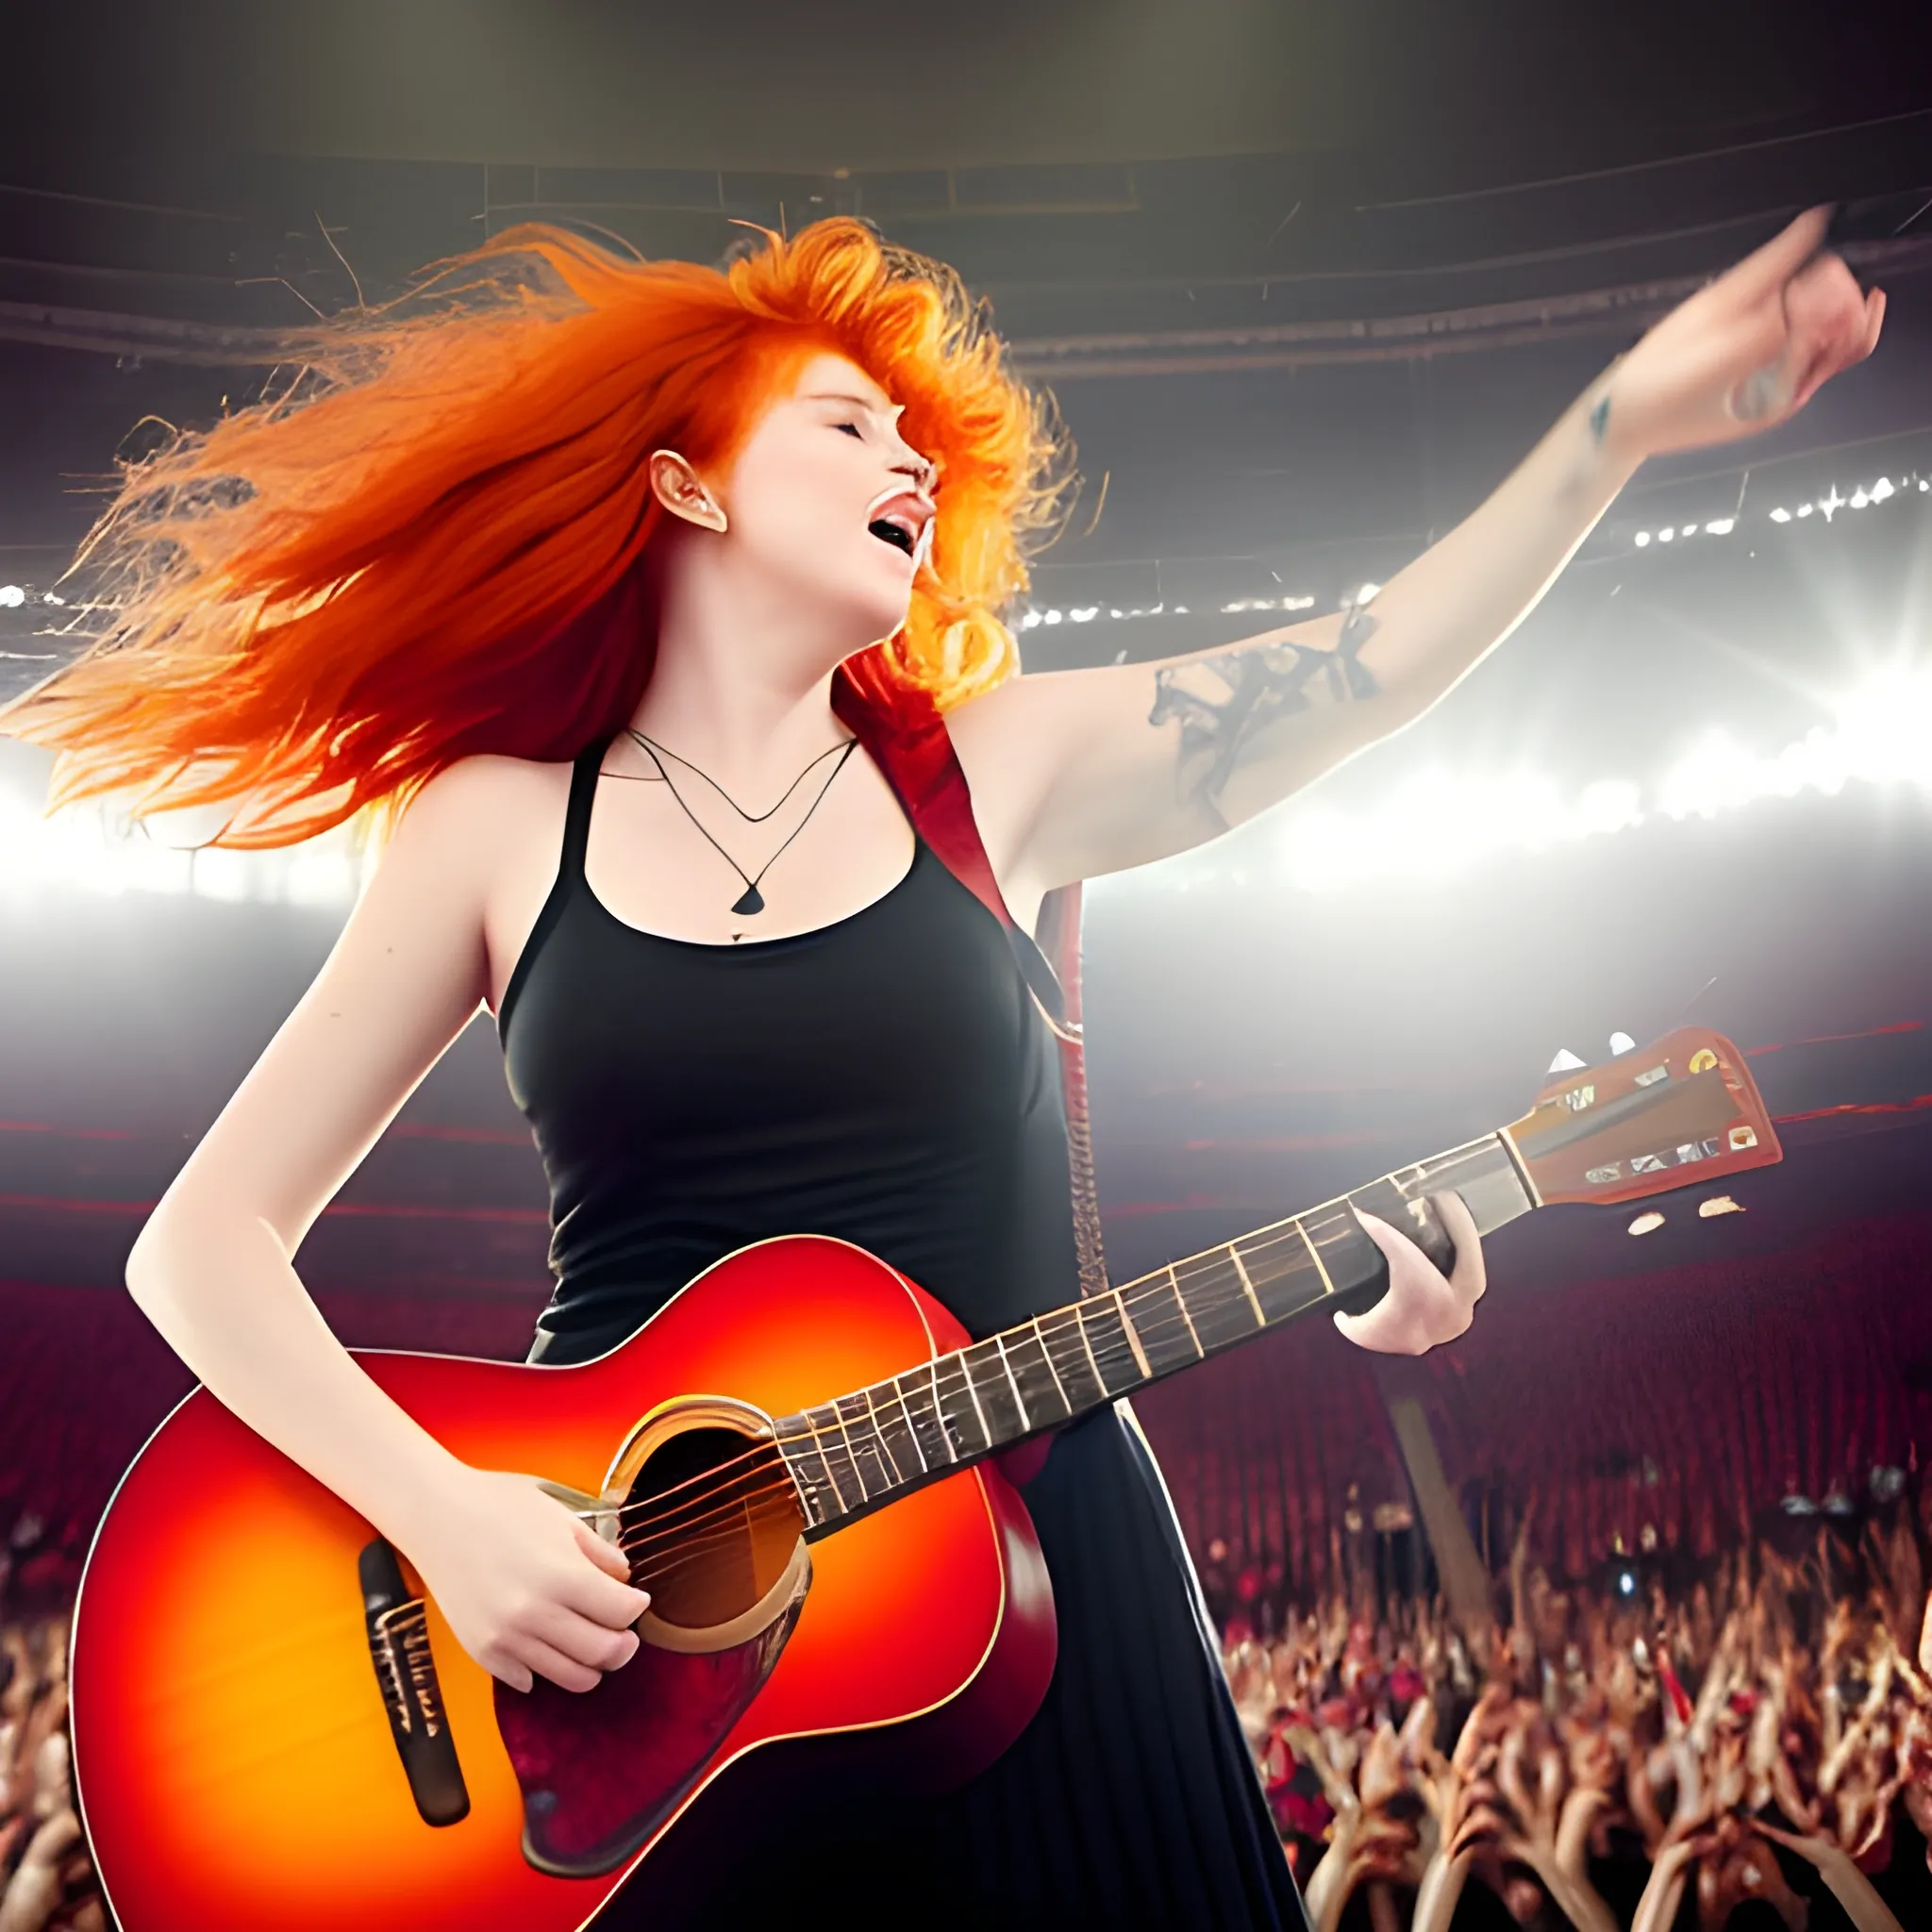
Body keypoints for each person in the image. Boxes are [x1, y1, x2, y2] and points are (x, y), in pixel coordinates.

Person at [2, 208, 1880, 1928]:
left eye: (918, 438)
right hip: (634, 1653)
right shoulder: (495, 828)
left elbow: (1370, 662)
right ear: (684, 483)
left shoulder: (995, 772)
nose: (908, 455)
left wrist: (1614, 425)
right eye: (843, 422)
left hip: (1047, 1604)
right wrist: (446, 1513)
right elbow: (203, 1243)